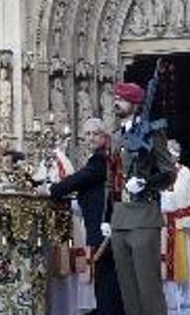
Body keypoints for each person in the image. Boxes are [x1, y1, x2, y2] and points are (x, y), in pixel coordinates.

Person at [106, 81, 175, 315]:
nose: (117, 102)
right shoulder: (116, 137)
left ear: (135, 104)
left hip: (144, 215)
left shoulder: (153, 133)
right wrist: (108, 216)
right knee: (128, 289)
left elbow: (169, 173)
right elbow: (111, 179)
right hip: (120, 217)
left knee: (148, 288)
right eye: (116, 97)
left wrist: (146, 183)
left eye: (122, 99)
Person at [49, 118, 125, 315]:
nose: (90, 138)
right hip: (98, 224)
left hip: (102, 224)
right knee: (104, 273)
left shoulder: (100, 160)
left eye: (94, 134)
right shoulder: (101, 158)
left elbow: (77, 180)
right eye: (87, 134)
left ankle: (108, 311)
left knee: (106, 273)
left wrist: (53, 189)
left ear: (104, 136)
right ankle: (105, 309)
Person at [160, 140, 190, 315]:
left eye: (171, 153)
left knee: (185, 273)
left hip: (182, 231)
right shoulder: (157, 173)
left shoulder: (185, 173)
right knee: (164, 275)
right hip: (161, 232)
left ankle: (188, 309)